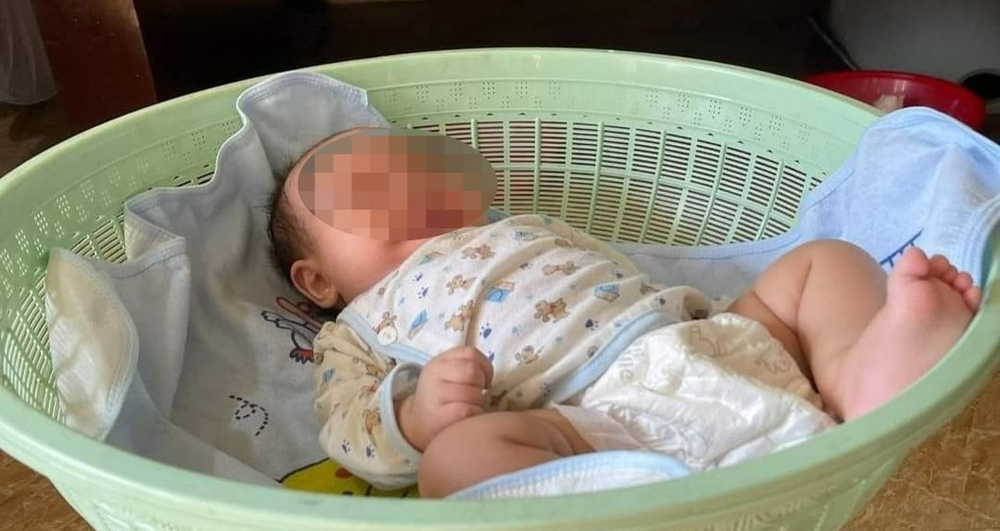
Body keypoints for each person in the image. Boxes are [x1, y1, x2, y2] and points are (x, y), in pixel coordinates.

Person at [267, 127, 982, 498]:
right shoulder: (358, 330)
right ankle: (641, 503)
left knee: (823, 262)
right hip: (589, 430)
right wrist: (418, 420)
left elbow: (634, 277)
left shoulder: (521, 227)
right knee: (454, 464)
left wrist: (722, 320)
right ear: (318, 279)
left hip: (709, 343)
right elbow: (349, 429)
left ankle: (868, 379)